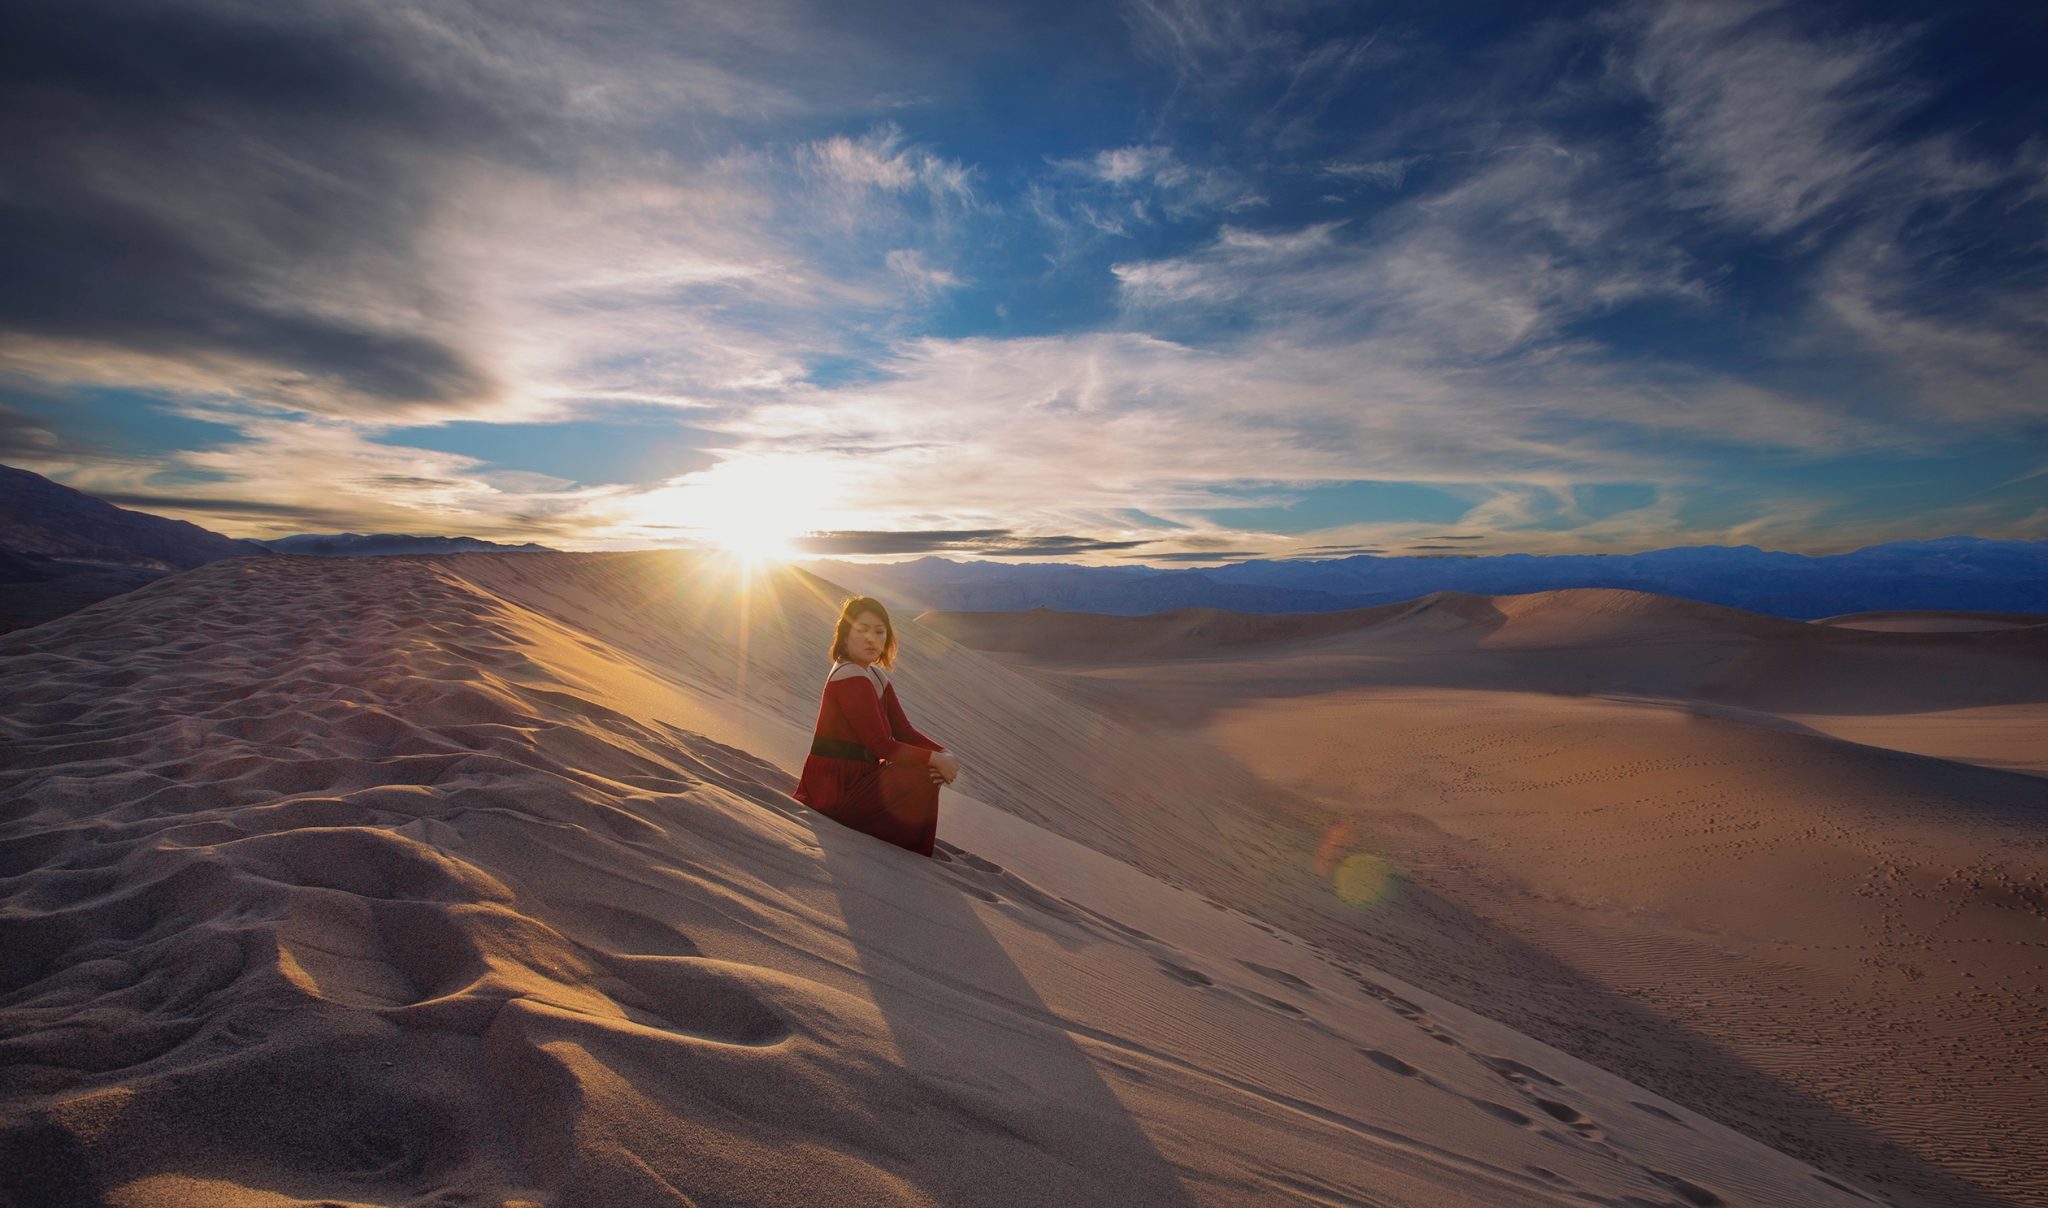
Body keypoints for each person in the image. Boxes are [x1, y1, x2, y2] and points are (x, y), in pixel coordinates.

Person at [793, 596, 961, 857]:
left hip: (861, 778)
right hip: (836, 788)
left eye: (879, 632)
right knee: (926, 772)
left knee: (930, 768)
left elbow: (904, 731)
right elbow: (880, 745)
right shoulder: (850, 676)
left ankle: (906, 845)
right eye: (862, 630)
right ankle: (905, 848)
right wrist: (934, 760)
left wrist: (943, 754)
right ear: (845, 636)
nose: (871, 638)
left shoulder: (875, 675)